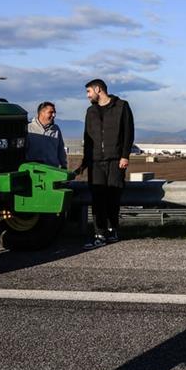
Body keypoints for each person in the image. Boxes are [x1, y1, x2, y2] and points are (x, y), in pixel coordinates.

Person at [77, 79, 134, 247]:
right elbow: (87, 139)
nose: (88, 96)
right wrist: (84, 163)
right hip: (95, 162)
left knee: (113, 196)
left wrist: (125, 156)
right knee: (97, 198)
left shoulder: (122, 106)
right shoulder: (90, 111)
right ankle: (99, 234)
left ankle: (112, 231)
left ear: (98, 89)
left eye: (89, 92)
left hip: (115, 160)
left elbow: (128, 132)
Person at [26, 101, 68, 169]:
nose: (54, 115)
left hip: (53, 170)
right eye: (51, 112)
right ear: (41, 113)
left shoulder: (56, 129)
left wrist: (64, 165)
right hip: (35, 171)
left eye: (54, 113)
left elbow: (60, 149)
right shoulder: (29, 129)